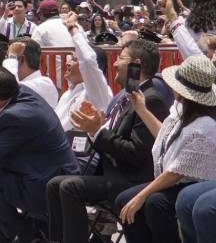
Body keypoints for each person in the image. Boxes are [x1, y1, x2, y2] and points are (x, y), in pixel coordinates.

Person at [46, 38, 172, 243]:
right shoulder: (126, 96)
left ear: (136, 65)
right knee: (54, 184)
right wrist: (94, 127)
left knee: (69, 186)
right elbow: (112, 137)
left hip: (132, 179)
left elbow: (135, 153)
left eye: (121, 58)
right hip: (111, 171)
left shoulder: (150, 99)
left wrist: (98, 132)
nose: (114, 63)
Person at [0, 67, 78, 243]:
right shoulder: (20, 92)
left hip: (47, 185)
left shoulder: (16, 115)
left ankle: (23, 236)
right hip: (44, 172)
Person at [114, 56, 216, 242]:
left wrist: (141, 196)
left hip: (194, 182)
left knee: (154, 203)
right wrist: (141, 109)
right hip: (177, 179)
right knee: (124, 199)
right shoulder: (182, 109)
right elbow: (166, 138)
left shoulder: (206, 125)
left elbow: (176, 171)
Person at [54, 13, 112, 131]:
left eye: (75, 60)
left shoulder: (96, 91)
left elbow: (88, 60)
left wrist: (72, 28)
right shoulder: (67, 94)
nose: (68, 63)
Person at [2, 38, 59, 107]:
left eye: (7, 58)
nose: (4, 62)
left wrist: (12, 57)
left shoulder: (44, 83)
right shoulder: (23, 83)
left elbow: (6, 87)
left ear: (22, 59)